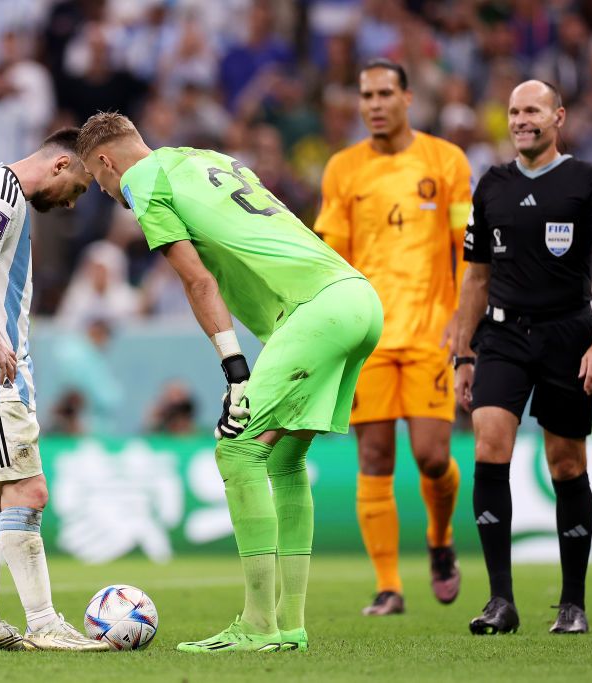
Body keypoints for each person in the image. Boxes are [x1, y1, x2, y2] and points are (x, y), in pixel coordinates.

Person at [77, 112, 383, 653]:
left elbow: (197, 280)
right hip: (355, 295)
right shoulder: (208, 160)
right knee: (284, 460)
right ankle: (289, 626)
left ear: (105, 161)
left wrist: (235, 369)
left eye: (98, 181)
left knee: (236, 450)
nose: (106, 193)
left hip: (316, 311)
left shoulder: (141, 181)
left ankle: (257, 624)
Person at [454, 80, 592, 635]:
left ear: (558, 116)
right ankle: (500, 601)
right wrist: (462, 353)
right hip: (502, 336)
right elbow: (476, 277)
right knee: (488, 445)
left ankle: (572, 603)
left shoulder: (587, 182)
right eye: (512, 111)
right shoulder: (493, 185)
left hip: (568, 334)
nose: (520, 119)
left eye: (531, 109)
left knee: (567, 464)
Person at [0, 128, 107, 652]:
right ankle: (44, 623)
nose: (75, 199)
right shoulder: (3, 194)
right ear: (60, 165)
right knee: (28, 492)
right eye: (79, 185)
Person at [314, 59, 472, 616]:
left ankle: (439, 538)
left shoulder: (445, 160)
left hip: (432, 331)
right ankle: (388, 586)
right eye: (365, 95)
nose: (374, 103)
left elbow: (467, 251)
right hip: (370, 337)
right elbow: (330, 255)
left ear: (408, 98)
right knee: (375, 456)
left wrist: (462, 317)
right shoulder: (343, 169)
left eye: (385, 93)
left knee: (432, 457)